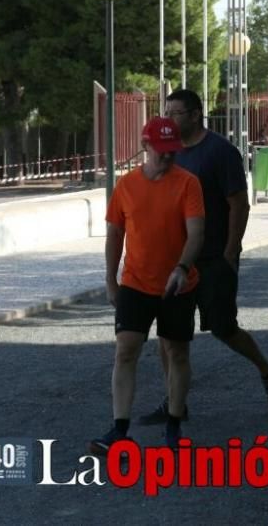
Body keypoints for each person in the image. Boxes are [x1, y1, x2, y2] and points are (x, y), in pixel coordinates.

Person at [136, 89, 268, 426]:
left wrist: (231, 251)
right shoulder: (170, 153)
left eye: (175, 112)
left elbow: (239, 203)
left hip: (212, 259)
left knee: (224, 328)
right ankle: (175, 403)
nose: (168, 118)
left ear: (195, 115)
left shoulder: (220, 152)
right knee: (169, 337)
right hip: (176, 262)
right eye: (166, 112)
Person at [90, 117, 205, 454]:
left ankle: (173, 426)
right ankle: (119, 431)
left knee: (176, 351)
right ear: (145, 146)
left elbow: (196, 232)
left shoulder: (188, 183)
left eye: (173, 151)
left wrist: (183, 267)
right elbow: (114, 234)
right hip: (136, 283)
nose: (168, 157)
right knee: (126, 350)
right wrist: (111, 280)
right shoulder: (126, 186)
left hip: (178, 285)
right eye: (162, 151)